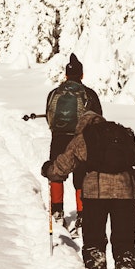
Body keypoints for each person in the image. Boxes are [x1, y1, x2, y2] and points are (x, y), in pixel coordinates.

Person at [42, 110, 135, 269]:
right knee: (124, 241)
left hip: (95, 195)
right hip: (125, 193)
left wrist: (49, 171)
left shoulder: (84, 138)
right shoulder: (121, 134)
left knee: (94, 240)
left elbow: (63, 165)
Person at [44, 53, 101, 234]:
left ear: (66, 75)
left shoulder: (54, 93)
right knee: (81, 176)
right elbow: (97, 118)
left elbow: (49, 115)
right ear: (82, 75)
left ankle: (57, 212)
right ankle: (82, 216)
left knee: (56, 171)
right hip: (81, 138)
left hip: (59, 137)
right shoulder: (89, 94)